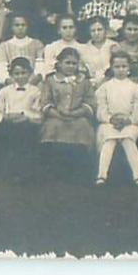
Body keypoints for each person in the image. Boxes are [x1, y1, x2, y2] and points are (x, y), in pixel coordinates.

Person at [39, 48, 96, 179]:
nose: (71, 66)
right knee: (52, 127)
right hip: (56, 116)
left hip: (77, 117)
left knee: (83, 127)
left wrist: (76, 113)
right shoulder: (51, 80)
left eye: (74, 63)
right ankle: (53, 171)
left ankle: (79, 171)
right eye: (67, 63)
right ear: (59, 64)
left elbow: (90, 102)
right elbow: (45, 102)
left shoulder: (84, 81)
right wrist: (58, 114)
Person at [95, 51, 138, 186]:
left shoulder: (136, 88)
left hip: (130, 123)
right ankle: (102, 175)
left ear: (129, 68)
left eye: (124, 66)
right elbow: (101, 108)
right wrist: (110, 118)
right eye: (117, 67)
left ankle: (137, 176)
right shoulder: (104, 88)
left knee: (128, 140)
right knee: (109, 140)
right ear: (112, 68)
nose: (120, 70)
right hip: (109, 123)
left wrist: (128, 120)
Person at [0, 57, 42, 180]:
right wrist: (3, 119)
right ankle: (1, 172)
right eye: (16, 74)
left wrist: (24, 116)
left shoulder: (36, 91)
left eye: (23, 73)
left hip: (27, 124)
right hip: (8, 123)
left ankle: (22, 172)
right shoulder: (4, 91)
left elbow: (38, 113)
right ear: (11, 75)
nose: (20, 77)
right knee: (2, 138)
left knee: (23, 139)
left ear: (30, 73)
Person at [0, 13, 44, 86]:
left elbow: (40, 66)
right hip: (12, 83)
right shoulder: (4, 46)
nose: (20, 28)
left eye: (23, 25)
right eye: (17, 25)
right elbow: (1, 68)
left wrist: (33, 81)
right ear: (11, 27)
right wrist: (10, 82)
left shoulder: (37, 44)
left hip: (33, 82)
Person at [80, 16, 119, 88]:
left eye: (99, 30)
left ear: (105, 30)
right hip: (92, 85)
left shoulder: (113, 46)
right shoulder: (84, 49)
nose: (96, 33)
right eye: (93, 31)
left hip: (112, 82)